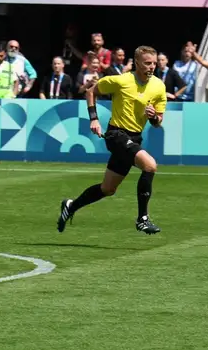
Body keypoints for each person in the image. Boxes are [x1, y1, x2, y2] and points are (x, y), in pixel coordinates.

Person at [57, 46, 165, 235]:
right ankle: (143, 219)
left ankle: (71, 205)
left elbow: (157, 122)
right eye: (148, 63)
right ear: (137, 62)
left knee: (108, 189)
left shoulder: (158, 86)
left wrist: (154, 116)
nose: (152, 67)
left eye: (154, 63)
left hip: (134, 137)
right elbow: (90, 92)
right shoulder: (121, 80)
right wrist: (94, 118)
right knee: (150, 166)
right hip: (116, 135)